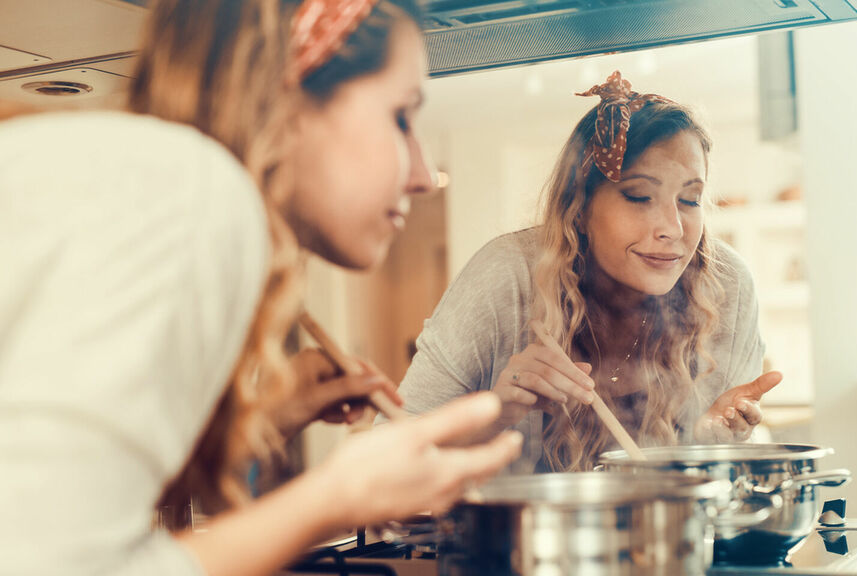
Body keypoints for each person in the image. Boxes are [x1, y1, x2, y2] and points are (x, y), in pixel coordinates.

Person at [0, 0, 522, 575]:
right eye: (400, 117)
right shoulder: (191, 192)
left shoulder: (152, 181)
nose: (423, 173)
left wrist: (262, 423)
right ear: (283, 94)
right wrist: (333, 497)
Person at [396, 71, 782, 472]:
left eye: (690, 199)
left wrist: (710, 448)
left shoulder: (725, 286)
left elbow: (711, 492)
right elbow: (393, 453)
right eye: (639, 196)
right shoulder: (506, 277)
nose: (674, 228)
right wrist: (497, 414)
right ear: (579, 206)